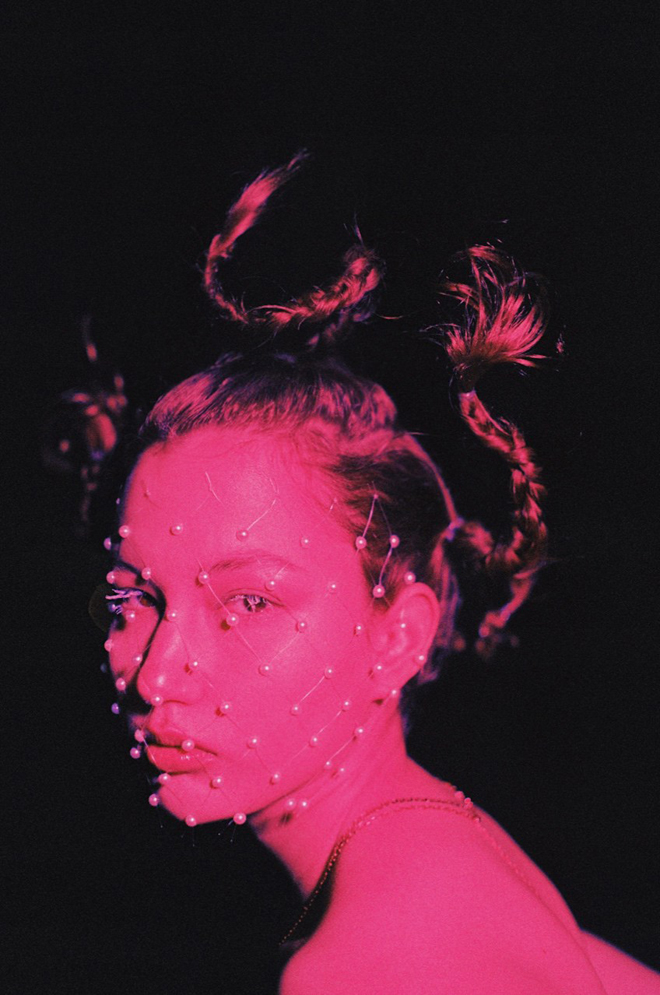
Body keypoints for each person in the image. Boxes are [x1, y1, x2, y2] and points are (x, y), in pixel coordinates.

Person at [96, 154, 659, 993]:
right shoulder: (444, 849)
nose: (155, 673)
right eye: (132, 599)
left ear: (399, 635)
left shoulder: (360, 964)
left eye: (249, 601)